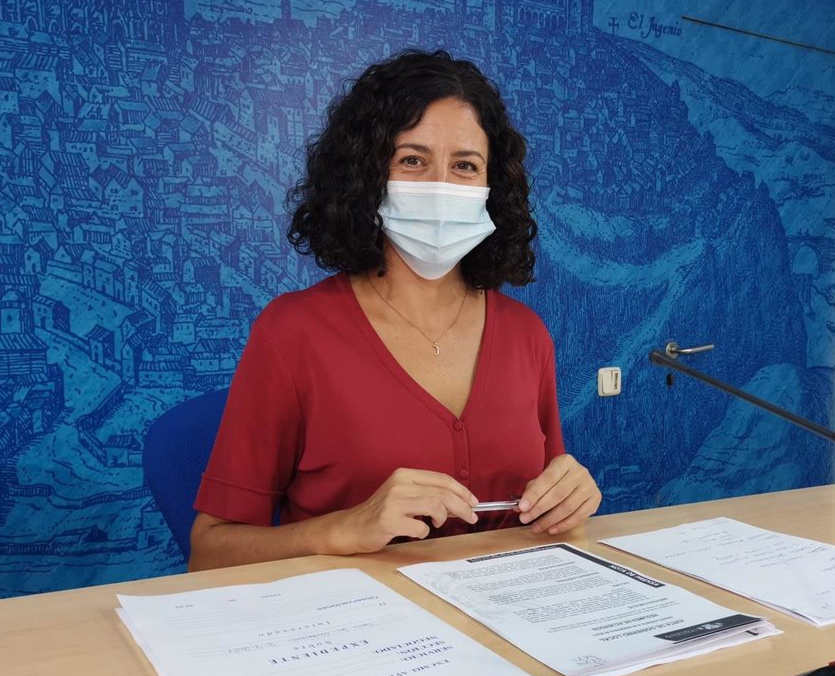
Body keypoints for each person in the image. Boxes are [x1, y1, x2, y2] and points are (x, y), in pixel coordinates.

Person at [188, 49, 601, 571]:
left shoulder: (527, 335)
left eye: (465, 166)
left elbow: (550, 516)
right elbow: (209, 553)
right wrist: (345, 528)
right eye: (412, 160)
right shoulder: (292, 333)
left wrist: (569, 502)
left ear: (491, 187)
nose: (440, 186)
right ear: (366, 175)